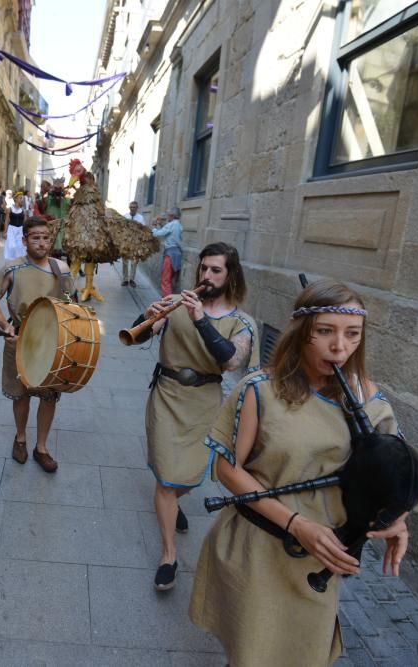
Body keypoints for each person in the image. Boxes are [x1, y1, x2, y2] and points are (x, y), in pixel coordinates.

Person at [189, 280, 412, 666]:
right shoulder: (260, 390)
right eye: (325, 331)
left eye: (352, 334)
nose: (339, 346)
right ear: (302, 333)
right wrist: (296, 523)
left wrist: (398, 518)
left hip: (319, 560)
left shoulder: (371, 401)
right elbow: (227, 468)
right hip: (258, 549)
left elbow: (395, 474)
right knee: (250, 653)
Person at [130, 242, 258, 591]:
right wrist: (147, 316)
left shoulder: (241, 322)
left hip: (204, 402)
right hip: (167, 397)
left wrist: (200, 319)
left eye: (215, 270)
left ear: (231, 275)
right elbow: (133, 337)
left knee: (189, 476)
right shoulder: (175, 304)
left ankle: (172, 502)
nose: (206, 276)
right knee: (167, 476)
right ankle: (169, 555)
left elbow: (231, 361)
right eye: (203, 268)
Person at [0, 217, 74, 474]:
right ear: (24, 241)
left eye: (46, 237)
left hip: (52, 343)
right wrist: (5, 324)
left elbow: (71, 305)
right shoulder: (12, 268)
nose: (42, 242)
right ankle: (21, 438)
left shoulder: (62, 269)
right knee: (20, 394)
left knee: (48, 396)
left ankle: (42, 447)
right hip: (19, 339)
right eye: (35, 237)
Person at [153, 207, 183, 296]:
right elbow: (167, 232)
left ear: (172, 215)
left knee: (165, 279)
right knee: (170, 279)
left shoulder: (171, 225)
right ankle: (167, 300)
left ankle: (167, 303)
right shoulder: (178, 225)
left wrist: (154, 226)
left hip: (170, 254)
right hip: (177, 253)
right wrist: (161, 226)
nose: (166, 217)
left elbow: (157, 234)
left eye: (168, 214)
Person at [121, 200, 146, 287]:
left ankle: (132, 279)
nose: (132, 209)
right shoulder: (125, 216)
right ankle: (125, 279)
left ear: (137, 208)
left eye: (134, 207)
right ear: (129, 208)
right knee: (125, 262)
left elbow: (144, 230)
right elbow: (121, 228)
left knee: (134, 262)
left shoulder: (141, 218)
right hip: (126, 242)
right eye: (131, 207)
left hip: (136, 243)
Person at [3, 193, 27, 260]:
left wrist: (25, 232)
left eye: (22, 198)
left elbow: (25, 222)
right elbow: (7, 220)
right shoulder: (10, 209)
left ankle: (19, 261)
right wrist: (5, 232)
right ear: (15, 199)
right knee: (11, 246)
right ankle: (10, 261)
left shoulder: (23, 210)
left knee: (20, 246)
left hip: (20, 230)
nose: (21, 200)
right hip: (11, 229)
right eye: (20, 198)